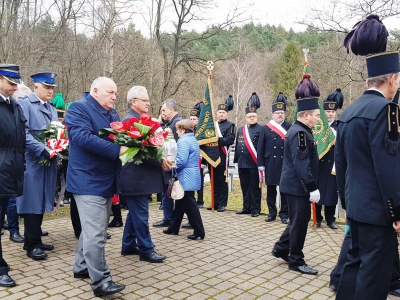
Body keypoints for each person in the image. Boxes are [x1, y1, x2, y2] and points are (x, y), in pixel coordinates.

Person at [335, 15, 400, 300]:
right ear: (392, 78)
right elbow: (389, 169)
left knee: (352, 268)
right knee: (374, 278)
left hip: (357, 208)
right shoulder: (386, 111)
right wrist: (397, 212)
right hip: (379, 212)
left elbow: (343, 165)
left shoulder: (348, 112)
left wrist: (347, 204)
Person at [65, 77, 126, 297]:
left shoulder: (113, 113)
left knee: (94, 229)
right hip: (87, 180)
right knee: (96, 234)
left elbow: (118, 136)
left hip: (106, 179)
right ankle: (101, 282)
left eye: (116, 93)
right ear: (95, 90)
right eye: (110, 92)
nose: (114, 97)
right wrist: (117, 150)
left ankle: (81, 266)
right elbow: (81, 137)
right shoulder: (78, 108)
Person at [271, 96, 321, 275]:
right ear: (306, 115)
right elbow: (302, 164)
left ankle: (281, 248)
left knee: (296, 221)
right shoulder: (300, 133)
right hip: (297, 187)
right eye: (316, 115)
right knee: (299, 224)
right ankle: (296, 260)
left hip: (295, 186)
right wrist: (312, 187)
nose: (318, 118)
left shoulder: (300, 130)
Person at [120, 85, 169, 263]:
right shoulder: (131, 123)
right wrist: (160, 160)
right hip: (135, 178)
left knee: (135, 213)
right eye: (145, 100)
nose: (148, 103)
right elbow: (142, 152)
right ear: (134, 102)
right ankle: (146, 249)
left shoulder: (139, 120)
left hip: (139, 177)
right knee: (141, 214)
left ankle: (128, 245)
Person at [17, 72, 59, 261]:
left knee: (42, 200)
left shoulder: (51, 108)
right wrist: (42, 149)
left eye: (52, 88)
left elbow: (56, 132)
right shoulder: (25, 104)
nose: (50, 91)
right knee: (31, 202)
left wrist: (59, 146)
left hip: (48, 160)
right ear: (36, 86)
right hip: (33, 160)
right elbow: (23, 133)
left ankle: (37, 238)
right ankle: (31, 243)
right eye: (46, 87)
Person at [0, 64, 26, 287]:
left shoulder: (14, 106)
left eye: (16, 82)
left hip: (10, 171)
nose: (15, 87)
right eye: (10, 82)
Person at [163, 119, 205, 240]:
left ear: (182, 129)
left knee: (190, 204)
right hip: (192, 173)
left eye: (177, 129)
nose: (177, 132)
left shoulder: (183, 141)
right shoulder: (193, 139)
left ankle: (199, 230)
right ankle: (174, 227)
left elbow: (181, 161)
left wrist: (169, 166)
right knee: (180, 202)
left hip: (185, 175)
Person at [257, 92, 291, 224]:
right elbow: (260, 147)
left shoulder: (290, 127)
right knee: (271, 189)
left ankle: (284, 214)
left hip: (284, 163)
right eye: (277, 113)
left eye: (282, 112)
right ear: (272, 114)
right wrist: (261, 164)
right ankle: (272, 213)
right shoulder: (266, 128)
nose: (280, 114)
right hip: (270, 162)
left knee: (284, 190)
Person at [316, 89, 343, 229]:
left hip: (333, 164)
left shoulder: (340, 127)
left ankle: (330, 219)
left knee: (332, 193)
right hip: (320, 164)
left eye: (333, 112)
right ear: (323, 112)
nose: (330, 114)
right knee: (319, 191)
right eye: (328, 111)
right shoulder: (318, 127)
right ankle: (318, 218)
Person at [153, 99, 182, 227]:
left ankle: (168, 218)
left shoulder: (176, 123)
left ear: (171, 109)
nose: (162, 113)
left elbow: (176, 145)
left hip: (171, 164)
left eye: (164, 110)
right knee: (168, 192)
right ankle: (170, 217)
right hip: (171, 163)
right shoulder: (171, 122)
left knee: (168, 192)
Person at [234, 99, 263, 217]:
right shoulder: (241, 129)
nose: (251, 118)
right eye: (249, 116)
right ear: (246, 117)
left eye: (253, 116)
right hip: (242, 163)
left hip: (254, 163)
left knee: (255, 187)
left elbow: (261, 148)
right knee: (244, 186)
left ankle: (255, 208)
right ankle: (246, 207)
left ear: (256, 117)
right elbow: (237, 145)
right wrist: (235, 160)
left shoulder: (261, 129)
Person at [207, 96, 235, 212]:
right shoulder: (212, 125)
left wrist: (217, 141)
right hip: (211, 156)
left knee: (222, 181)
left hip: (223, 157)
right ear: (217, 113)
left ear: (227, 114)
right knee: (213, 181)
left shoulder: (230, 125)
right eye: (219, 112)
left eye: (223, 112)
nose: (221, 114)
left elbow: (230, 139)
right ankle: (215, 202)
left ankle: (222, 204)